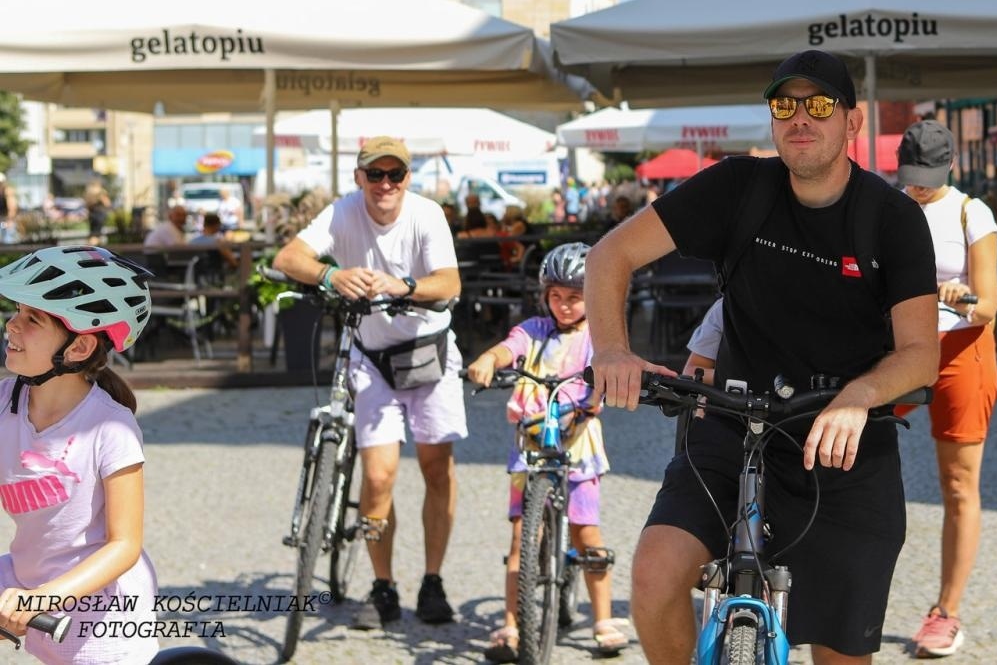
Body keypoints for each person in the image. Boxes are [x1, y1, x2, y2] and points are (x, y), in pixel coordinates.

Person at [587, 49, 939, 665]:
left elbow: (920, 355)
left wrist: (857, 397)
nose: (801, 117)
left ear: (853, 122)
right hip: (733, 427)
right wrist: (612, 350)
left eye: (820, 104)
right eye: (784, 104)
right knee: (654, 576)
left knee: (840, 653)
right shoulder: (737, 187)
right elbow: (608, 256)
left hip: (842, 446)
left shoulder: (893, 219)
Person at [272, 135, 466, 630]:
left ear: (407, 178)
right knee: (378, 477)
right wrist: (330, 275)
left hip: (428, 352)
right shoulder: (342, 212)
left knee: (436, 468)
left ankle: (433, 579)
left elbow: (450, 283)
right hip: (371, 355)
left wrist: (405, 286)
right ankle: (383, 584)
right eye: (374, 174)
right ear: (359, 177)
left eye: (394, 174)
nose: (384, 183)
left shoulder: (426, 215)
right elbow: (287, 258)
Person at [465, 243, 629, 658]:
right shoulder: (534, 330)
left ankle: (603, 618)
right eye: (556, 296)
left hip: (578, 441)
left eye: (574, 297)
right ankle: (511, 625)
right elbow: (509, 347)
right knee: (521, 538)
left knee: (586, 533)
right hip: (532, 442)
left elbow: (610, 363)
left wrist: (607, 384)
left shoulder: (597, 336)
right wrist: (489, 360)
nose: (564, 305)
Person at [0, 246, 161, 664]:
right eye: (17, 311)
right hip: (26, 580)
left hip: (99, 617)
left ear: (78, 347)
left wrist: (43, 599)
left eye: (32, 318)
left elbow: (124, 545)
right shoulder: (5, 403)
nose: (12, 325)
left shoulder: (111, 427)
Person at [894, 121, 997, 659]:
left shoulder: (970, 212)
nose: (918, 186)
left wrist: (957, 295)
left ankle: (946, 611)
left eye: (927, 177)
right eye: (911, 175)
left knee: (958, 483)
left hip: (962, 348)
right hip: (900, 348)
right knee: (845, 454)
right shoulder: (889, 208)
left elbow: (989, 305)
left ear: (950, 167)